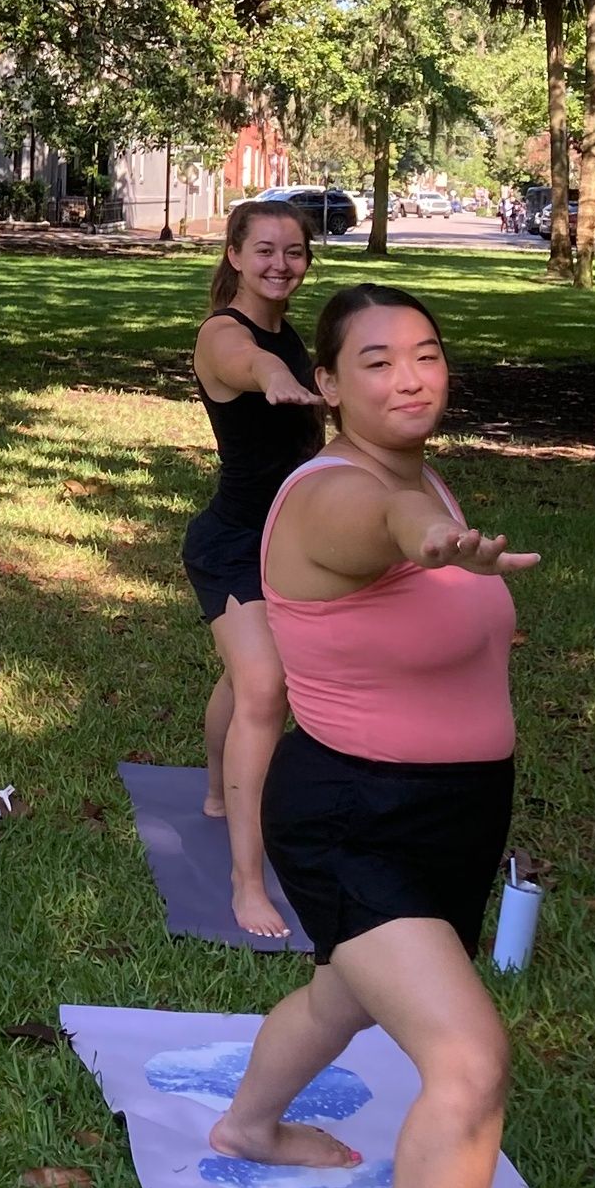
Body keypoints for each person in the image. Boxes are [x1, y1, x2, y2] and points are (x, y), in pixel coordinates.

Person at [207, 283, 537, 1188]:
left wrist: (437, 532)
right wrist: (425, 542)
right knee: (467, 1061)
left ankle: (248, 1122)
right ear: (329, 385)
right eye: (380, 361)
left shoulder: (422, 475)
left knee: (349, 993)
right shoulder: (342, 493)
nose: (411, 377)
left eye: (429, 355)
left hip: (446, 817)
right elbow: (378, 534)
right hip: (355, 817)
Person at [183, 199, 326, 939]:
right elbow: (250, 364)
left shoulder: (292, 335)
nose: (280, 264)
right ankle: (246, 882)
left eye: (294, 252)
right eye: (265, 250)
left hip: (288, 546)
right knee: (267, 690)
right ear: (235, 254)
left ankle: (215, 790)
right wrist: (273, 376)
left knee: (243, 679)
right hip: (233, 543)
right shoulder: (226, 337)